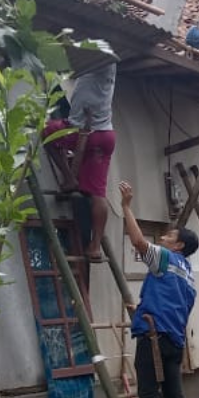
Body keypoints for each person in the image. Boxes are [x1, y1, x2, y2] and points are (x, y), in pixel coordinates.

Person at [120, 181, 199, 398]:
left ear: (177, 246)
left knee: (149, 393)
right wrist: (142, 307)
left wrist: (126, 206)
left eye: (169, 236)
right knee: (174, 395)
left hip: (154, 337)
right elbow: (176, 302)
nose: (164, 237)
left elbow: (138, 241)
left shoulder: (164, 258)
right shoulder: (188, 274)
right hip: (175, 341)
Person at [43, 61, 117, 261]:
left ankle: (69, 178)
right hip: (105, 135)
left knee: (46, 132)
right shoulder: (108, 66)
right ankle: (95, 247)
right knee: (98, 194)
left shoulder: (93, 58)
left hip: (79, 131)